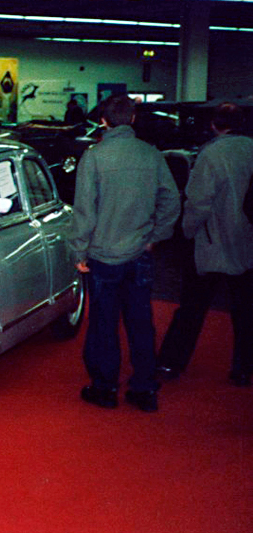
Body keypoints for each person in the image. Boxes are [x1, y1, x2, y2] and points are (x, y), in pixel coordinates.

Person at [69, 94, 180, 412]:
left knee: (103, 323)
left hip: (103, 256)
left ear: (103, 120)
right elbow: (171, 200)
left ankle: (104, 388)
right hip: (139, 253)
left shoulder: (94, 157)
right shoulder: (151, 154)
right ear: (132, 119)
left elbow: (85, 210)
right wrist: (155, 236)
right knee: (141, 322)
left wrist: (79, 251)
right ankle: (144, 389)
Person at [156, 102, 253, 387]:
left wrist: (187, 231)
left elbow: (199, 202)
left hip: (211, 241)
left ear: (213, 124)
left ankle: (172, 362)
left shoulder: (211, 154)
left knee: (192, 306)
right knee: (245, 309)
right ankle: (243, 368)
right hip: (246, 240)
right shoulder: (250, 148)